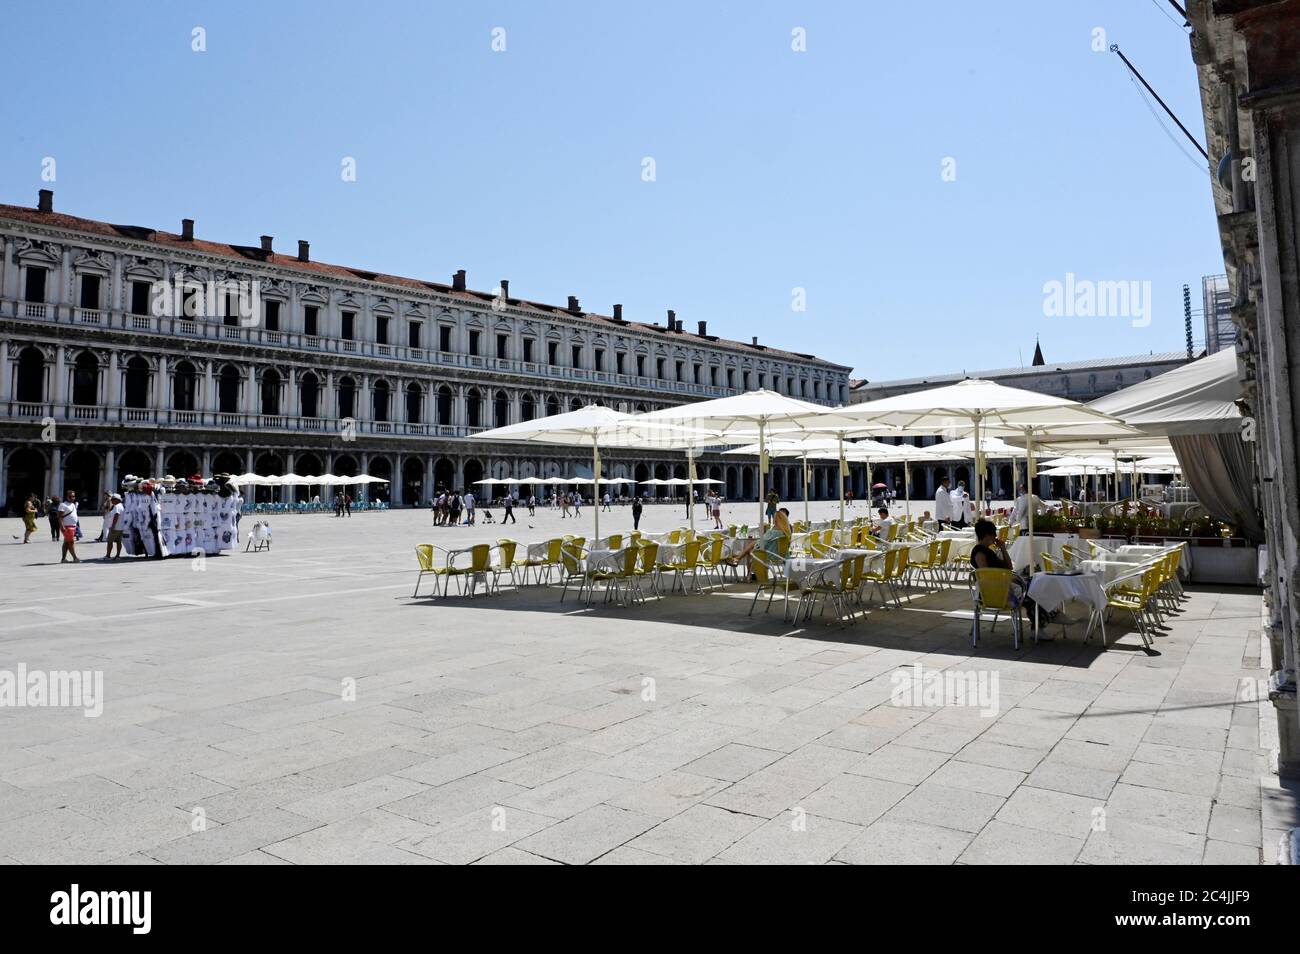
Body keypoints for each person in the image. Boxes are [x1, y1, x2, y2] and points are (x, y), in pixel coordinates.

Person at [969, 518, 1052, 623]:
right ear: (987, 535)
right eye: (994, 534)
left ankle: (1047, 619)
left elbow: (1009, 567)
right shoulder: (979, 552)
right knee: (1033, 594)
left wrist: (1003, 549)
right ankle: (1044, 622)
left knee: (1037, 586)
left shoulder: (989, 551)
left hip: (1004, 587)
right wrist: (1009, 579)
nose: (995, 537)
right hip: (995, 593)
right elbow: (987, 576)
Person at [58, 490, 80, 563]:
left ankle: (63, 559)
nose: (72, 498)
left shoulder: (73, 504)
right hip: (67, 526)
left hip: (73, 526)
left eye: (73, 496)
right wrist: (62, 526)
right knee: (71, 542)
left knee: (66, 542)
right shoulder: (63, 505)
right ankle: (75, 558)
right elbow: (60, 516)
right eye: (70, 496)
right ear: (67, 497)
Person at [104, 493, 125, 559]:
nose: (112, 501)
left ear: (117, 500)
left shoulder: (117, 506)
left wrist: (113, 526)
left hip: (115, 528)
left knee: (110, 542)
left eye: (113, 499)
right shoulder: (121, 505)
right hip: (120, 527)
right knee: (118, 542)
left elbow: (116, 516)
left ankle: (108, 555)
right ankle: (118, 555)